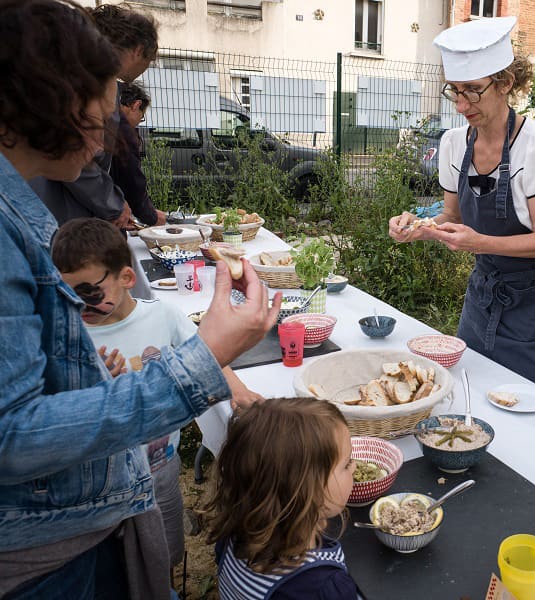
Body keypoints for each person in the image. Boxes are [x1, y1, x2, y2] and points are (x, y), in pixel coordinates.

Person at [0, 1, 280, 596]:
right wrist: (204, 355)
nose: (108, 138)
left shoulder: (18, 209)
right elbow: (12, 436)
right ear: (53, 100)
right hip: (45, 557)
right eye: (100, 115)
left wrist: (81, 379)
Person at [52, 217, 265, 575]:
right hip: (104, 478)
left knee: (166, 547)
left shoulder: (162, 315)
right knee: (121, 562)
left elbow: (205, 353)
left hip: (161, 465)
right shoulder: (69, 337)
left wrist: (239, 392)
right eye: (66, 293)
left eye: (88, 291)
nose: (78, 303)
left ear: (126, 278)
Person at [388, 17, 535, 396]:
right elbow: (452, 217)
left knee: (532, 409)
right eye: (454, 92)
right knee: (470, 394)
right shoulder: (454, 144)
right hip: (484, 297)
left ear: (505, 83)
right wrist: (419, 228)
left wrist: (479, 243)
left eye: (473, 91)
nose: (461, 105)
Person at [205, 398, 365, 600]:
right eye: (346, 464)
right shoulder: (324, 588)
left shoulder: (232, 532)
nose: (355, 467)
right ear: (308, 491)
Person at [29, 3, 160, 230]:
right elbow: (72, 151)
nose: (101, 143)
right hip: (58, 221)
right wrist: (113, 203)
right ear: (139, 50)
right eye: (100, 120)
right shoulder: (85, 81)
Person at [113, 82, 166, 228]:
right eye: (141, 117)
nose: (137, 123)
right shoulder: (123, 132)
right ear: (136, 105)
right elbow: (132, 180)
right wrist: (151, 216)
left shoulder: (107, 119)